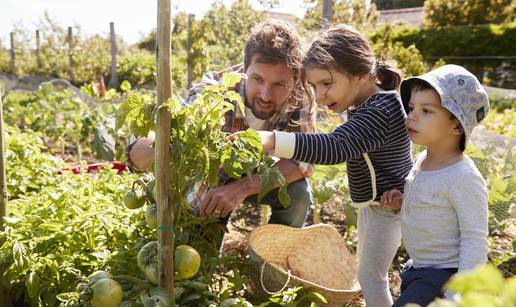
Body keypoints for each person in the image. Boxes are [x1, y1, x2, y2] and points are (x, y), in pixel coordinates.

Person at [257, 24, 413, 307]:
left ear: (361, 73)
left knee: (371, 277)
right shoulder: (367, 106)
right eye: (314, 86)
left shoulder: (382, 110)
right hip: (378, 206)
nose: (320, 95)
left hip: (389, 208)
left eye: (326, 83)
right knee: (372, 273)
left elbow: (334, 148)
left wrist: (269, 140)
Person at [126, 19, 315, 230]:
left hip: (259, 173)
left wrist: (241, 188)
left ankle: (270, 259)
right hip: (213, 178)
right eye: (257, 79)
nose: (265, 94)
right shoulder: (215, 90)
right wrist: (153, 147)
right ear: (244, 68)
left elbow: (303, 160)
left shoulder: (300, 96)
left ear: (294, 78)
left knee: (298, 194)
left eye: (279, 84)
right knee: (199, 246)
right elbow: (183, 128)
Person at [380, 64, 490, 307]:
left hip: (444, 276)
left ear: (457, 126)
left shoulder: (463, 177)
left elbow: (475, 240)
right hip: (418, 268)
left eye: (427, 110)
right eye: (411, 108)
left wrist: (457, 296)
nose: (412, 116)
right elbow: (432, 204)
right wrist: (403, 202)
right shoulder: (423, 159)